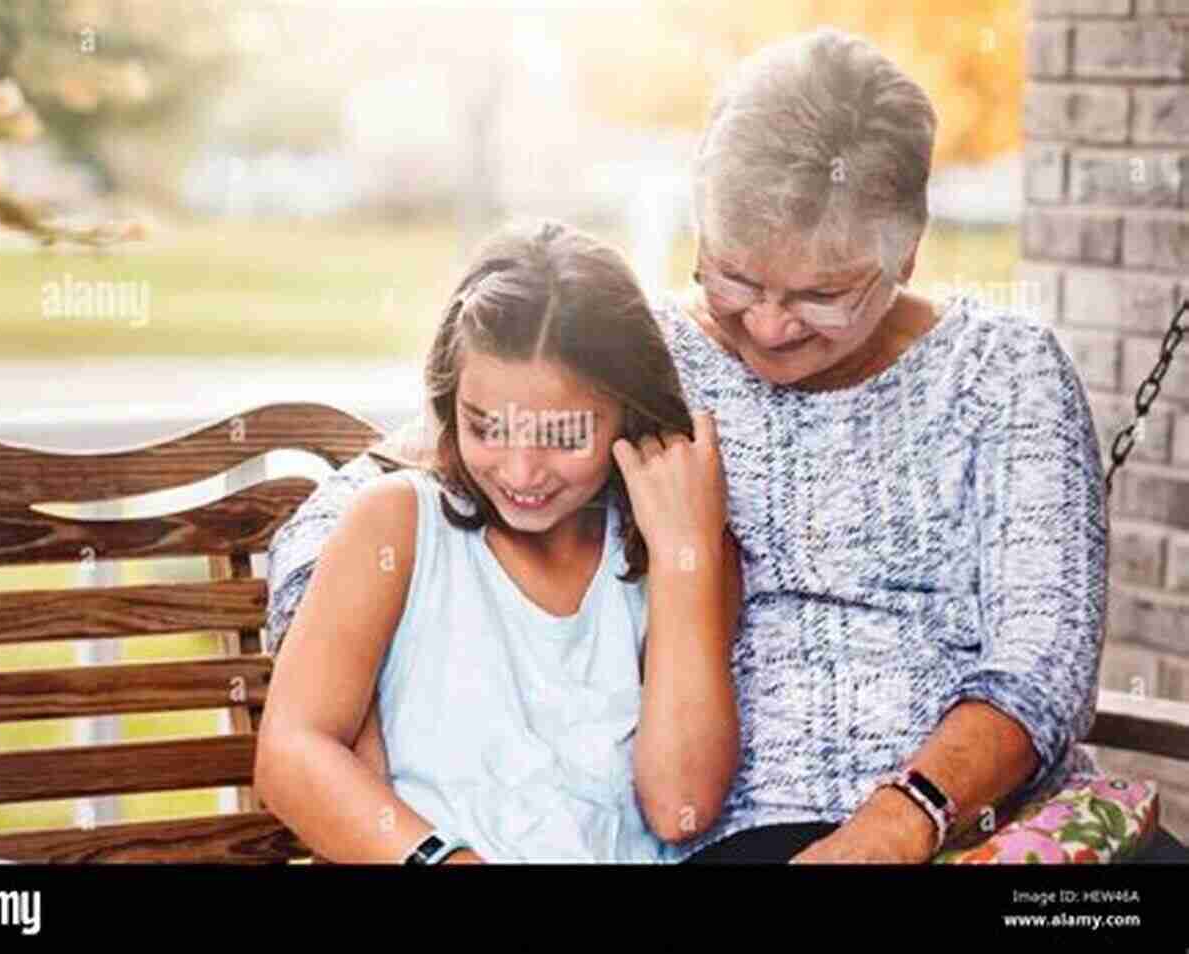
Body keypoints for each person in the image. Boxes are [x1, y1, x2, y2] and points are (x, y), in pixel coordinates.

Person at [266, 27, 1188, 863]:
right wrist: (358, 696)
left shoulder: (1007, 369)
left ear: (906, 254)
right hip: (761, 833)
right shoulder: (649, 358)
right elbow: (379, 496)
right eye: (735, 278)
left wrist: (900, 823)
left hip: (1001, 824)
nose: (772, 327)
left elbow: (1042, 666)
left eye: (823, 295)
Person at [254, 221, 743, 863]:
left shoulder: (670, 554)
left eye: (563, 436)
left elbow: (684, 804)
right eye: (487, 428)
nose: (519, 473)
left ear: (630, 411)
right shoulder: (397, 525)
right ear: (450, 403)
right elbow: (292, 752)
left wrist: (688, 558)